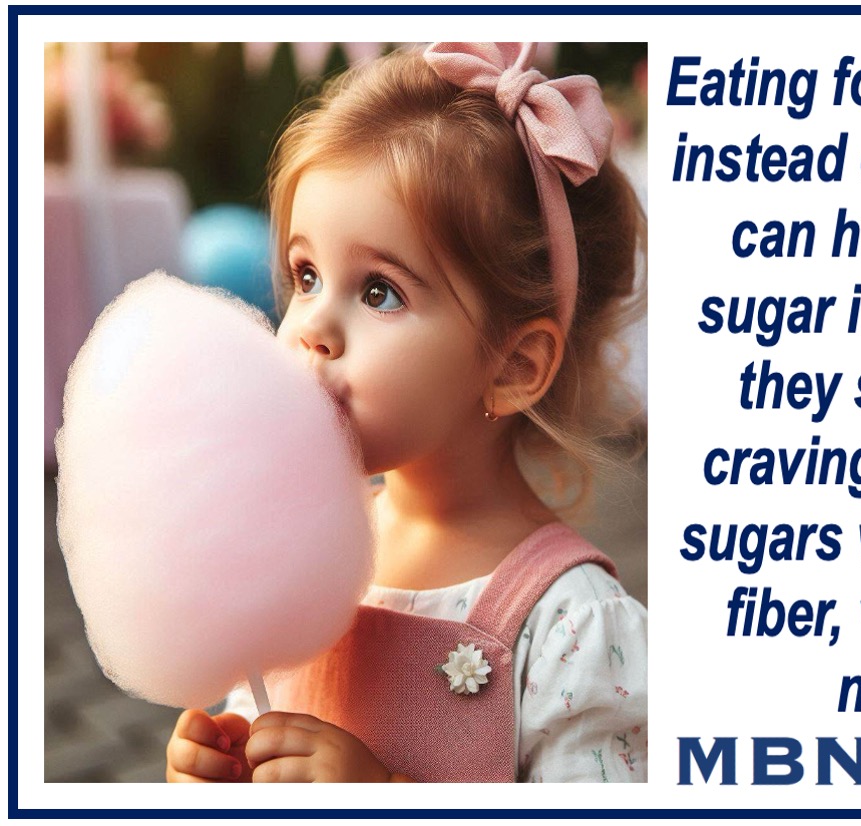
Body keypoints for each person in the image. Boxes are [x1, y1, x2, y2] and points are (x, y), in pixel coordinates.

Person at [164, 42, 648, 782]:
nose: (312, 328)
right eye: (306, 274)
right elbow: (262, 714)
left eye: (379, 291)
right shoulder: (301, 548)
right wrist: (224, 767)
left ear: (513, 367)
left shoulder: (575, 629)